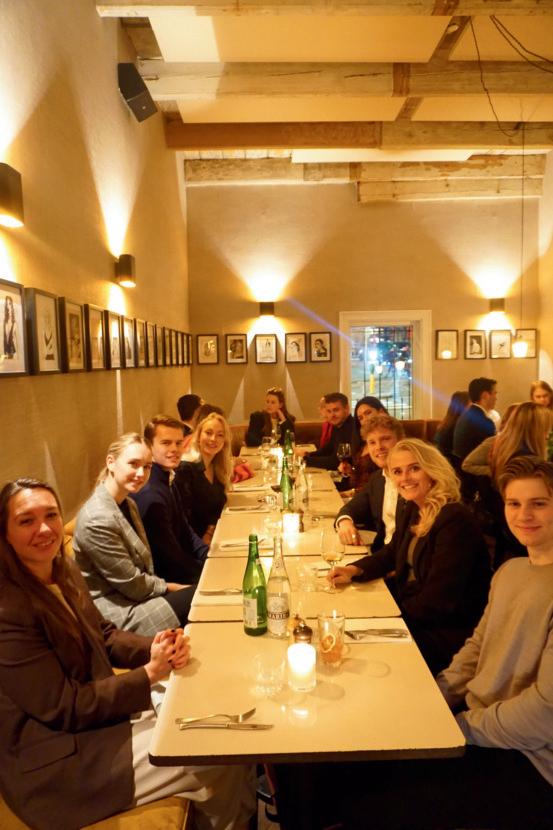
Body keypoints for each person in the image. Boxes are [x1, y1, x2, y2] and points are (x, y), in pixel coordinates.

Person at [0, 478, 256, 830]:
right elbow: (64, 706)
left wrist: (156, 647)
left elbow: (103, 635)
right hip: (60, 760)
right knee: (215, 751)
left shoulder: (62, 570)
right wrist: (149, 673)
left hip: (96, 724)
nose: (44, 528)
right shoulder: (9, 609)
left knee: (223, 705)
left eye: (51, 515)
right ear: (5, 533)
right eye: (26, 520)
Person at [330, 439, 491, 675]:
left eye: (414, 468)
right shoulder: (414, 507)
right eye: (397, 471)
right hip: (416, 613)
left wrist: (389, 617)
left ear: (432, 470)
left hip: (445, 632)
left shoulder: (454, 520)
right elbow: (392, 552)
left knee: (358, 655)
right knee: (344, 625)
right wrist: (353, 570)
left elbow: (438, 601)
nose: (405, 478)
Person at [73, 433, 195, 635]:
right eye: (133, 464)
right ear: (111, 462)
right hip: (119, 615)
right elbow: (132, 585)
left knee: (204, 594)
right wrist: (173, 587)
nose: (141, 473)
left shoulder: (128, 503)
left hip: (139, 598)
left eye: (147, 467)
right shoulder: (98, 518)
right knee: (200, 597)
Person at [132, 415, 208, 584]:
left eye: (178, 443)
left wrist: (209, 555)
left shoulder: (168, 477)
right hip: (165, 581)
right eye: (166, 443)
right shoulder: (151, 494)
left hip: (180, 569)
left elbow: (185, 531)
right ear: (149, 446)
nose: (174, 449)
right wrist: (207, 571)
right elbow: (170, 560)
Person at [335, 414, 405, 551]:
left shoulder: (412, 482)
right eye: (372, 442)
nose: (379, 447)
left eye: (385, 439)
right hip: (383, 555)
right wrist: (344, 522)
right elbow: (351, 508)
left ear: (401, 440)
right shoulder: (378, 479)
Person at [175, 413, 232, 543]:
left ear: (224, 442)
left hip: (215, 535)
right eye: (208, 433)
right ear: (198, 436)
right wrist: (204, 540)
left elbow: (218, 506)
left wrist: (210, 530)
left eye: (220, 435)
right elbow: (184, 519)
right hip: (195, 544)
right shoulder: (186, 469)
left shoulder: (217, 468)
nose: (213, 439)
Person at [341, 395, 388, 486]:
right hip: (355, 490)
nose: (365, 419)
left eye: (368, 413)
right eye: (361, 418)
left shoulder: (393, 440)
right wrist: (350, 471)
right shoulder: (362, 441)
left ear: (381, 411)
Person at [302, 392, 354, 470]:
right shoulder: (337, 426)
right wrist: (308, 455)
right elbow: (327, 449)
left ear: (346, 408)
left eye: (336, 410)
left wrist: (305, 460)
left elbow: (337, 462)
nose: (332, 415)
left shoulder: (351, 429)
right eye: (329, 411)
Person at [452, 377, 497, 462]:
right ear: (485, 395)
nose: (496, 398)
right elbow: (492, 453)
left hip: (459, 466)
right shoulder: (484, 422)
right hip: (470, 468)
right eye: (494, 393)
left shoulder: (466, 414)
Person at [433, 390, 470, 464]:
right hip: (451, 465)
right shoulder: (457, 426)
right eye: (471, 405)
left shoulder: (447, 423)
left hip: (444, 462)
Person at [3, 294, 17, 359]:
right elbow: (5, 337)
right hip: (7, 350)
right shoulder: (5, 321)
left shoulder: (14, 321)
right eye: (7, 304)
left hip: (13, 349)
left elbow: (14, 337)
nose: (8, 306)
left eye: (10, 304)